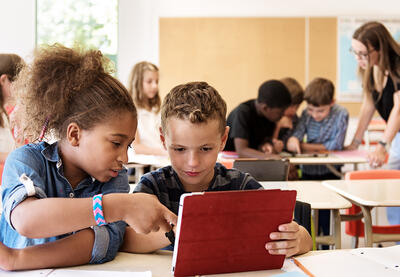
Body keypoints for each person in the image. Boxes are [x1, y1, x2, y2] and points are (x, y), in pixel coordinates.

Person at [0, 44, 176, 271]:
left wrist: (20, 259)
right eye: (116, 143)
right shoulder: (26, 160)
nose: (124, 157)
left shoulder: (115, 177)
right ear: (74, 134)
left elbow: (103, 243)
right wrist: (117, 206)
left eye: (128, 145)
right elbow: (27, 220)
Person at [121, 81, 312, 257]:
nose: (193, 162)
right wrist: (177, 233)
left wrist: (298, 240)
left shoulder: (240, 185)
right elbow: (125, 239)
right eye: (180, 149)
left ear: (223, 140)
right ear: (163, 139)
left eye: (205, 149)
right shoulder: (151, 187)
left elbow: (304, 237)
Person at [345, 21, 400, 228]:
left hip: (396, 135)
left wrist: (382, 146)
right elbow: (369, 104)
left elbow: (399, 109)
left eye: (363, 54)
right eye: (355, 52)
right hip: (397, 136)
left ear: (380, 49)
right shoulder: (371, 69)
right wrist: (355, 142)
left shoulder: (397, 66)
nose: (358, 59)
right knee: (395, 184)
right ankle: (397, 239)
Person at [286, 78, 348, 242]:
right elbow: (295, 139)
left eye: (320, 111)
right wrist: (297, 142)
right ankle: (308, 247)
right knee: (306, 213)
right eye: (311, 110)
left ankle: (326, 248)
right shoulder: (306, 113)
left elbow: (336, 145)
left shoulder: (341, 113)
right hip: (308, 172)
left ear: (332, 103)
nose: (314, 115)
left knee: (327, 217)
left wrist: (305, 146)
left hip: (330, 172)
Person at [224, 80, 291, 158]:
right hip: (230, 162)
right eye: (280, 112)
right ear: (265, 108)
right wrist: (271, 157)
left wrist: (267, 146)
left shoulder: (269, 117)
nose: (283, 115)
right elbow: (242, 151)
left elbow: (263, 143)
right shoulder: (243, 112)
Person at [128, 61, 166, 156]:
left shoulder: (156, 110)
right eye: (149, 82)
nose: (155, 86)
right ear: (137, 83)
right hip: (145, 163)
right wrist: (163, 152)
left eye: (156, 81)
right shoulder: (131, 111)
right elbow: (135, 146)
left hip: (161, 159)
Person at [0, 54, 24, 164]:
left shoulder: (4, 113)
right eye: (20, 83)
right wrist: (16, 155)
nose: (22, 89)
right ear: (3, 80)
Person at [273, 77, 304, 148]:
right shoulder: (269, 116)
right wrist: (278, 126)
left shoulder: (294, 118)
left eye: (297, 107)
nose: (294, 111)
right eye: (291, 106)